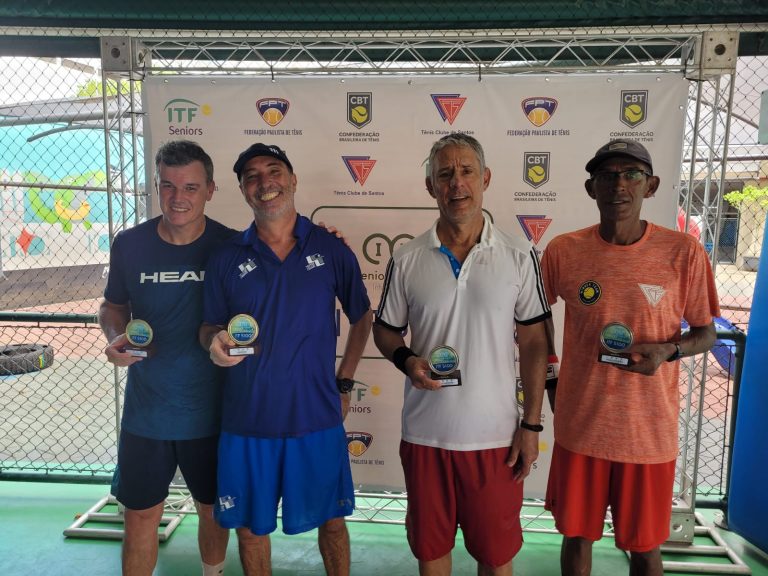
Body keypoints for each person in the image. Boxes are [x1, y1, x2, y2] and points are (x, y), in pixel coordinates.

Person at [372, 133, 551, 576]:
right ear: (430, 186)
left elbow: (534, 341)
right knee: (431, 553)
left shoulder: (519, 254)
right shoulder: (407, 258)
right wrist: (407, 360)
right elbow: (385, 330)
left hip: (496, 440)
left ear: (485, 178)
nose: (457, 183)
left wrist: (531, 425)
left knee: (496, 557)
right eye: (445, 174)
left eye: (467, 171)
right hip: (425, 437)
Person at [541, 139, 720, 576]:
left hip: (648, 434)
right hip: (582, 427)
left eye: (631, 174)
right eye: (607, 176)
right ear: (591, 188)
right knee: (576, 537)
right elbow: (532, 321)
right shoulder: (563, 251)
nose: (618, 185)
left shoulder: (684, 252)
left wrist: (669, 350)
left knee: (644, 548)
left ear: (651, 185)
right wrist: (551, 380)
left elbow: (707, 333)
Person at [199, 143, 372, 576]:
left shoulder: (331, 249)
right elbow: (207, 325)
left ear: (293, 180)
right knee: (249, 532)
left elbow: (362, 316)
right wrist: (213, 340)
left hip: (316, 417)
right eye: (252, 177)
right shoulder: (226, 257)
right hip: (246, 421)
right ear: (243, 190)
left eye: (274, 171)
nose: (265, 182)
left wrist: (345, 381)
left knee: (333, 523)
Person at [99, 140, 232, 576]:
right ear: (156, 187)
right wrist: (116, 337)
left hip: (212, 414)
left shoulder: (231, 246)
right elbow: (112, 306)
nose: (178, 197)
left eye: (191, 187)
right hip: (147, 414)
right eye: (168, 186)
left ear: (210, 189)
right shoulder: (129, 244)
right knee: (140, 516)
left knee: (213, 511)